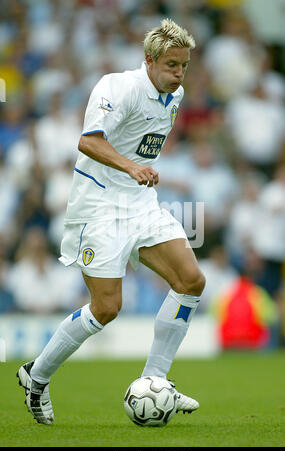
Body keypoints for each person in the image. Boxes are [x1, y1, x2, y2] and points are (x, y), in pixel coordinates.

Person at [17, 19, 206, 425]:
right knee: (106, 308)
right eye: (172, 65)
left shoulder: (175, 94)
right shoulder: (116, 86)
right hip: (99, 207)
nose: (178, 74)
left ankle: (156, 380)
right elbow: (88, 140)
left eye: (184, 66)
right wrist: (131, 166)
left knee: (191, 281)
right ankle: (37, 375)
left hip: (140, 203)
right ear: (149, 60)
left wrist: (138, 173)